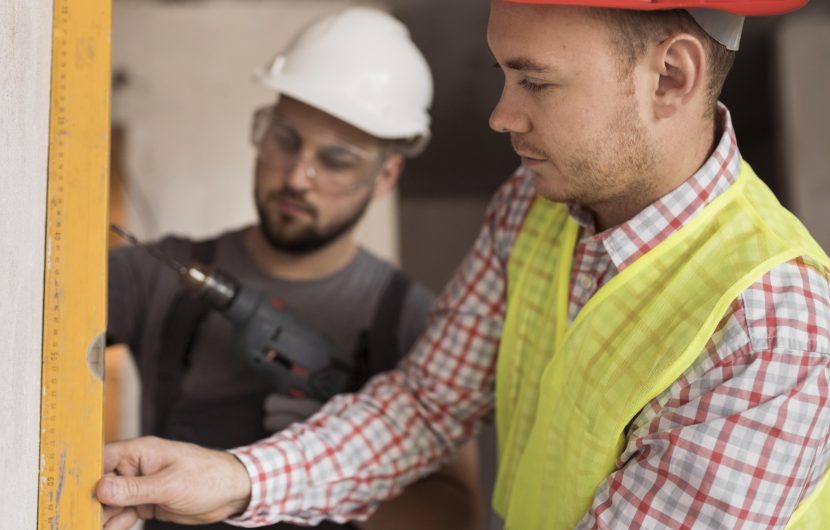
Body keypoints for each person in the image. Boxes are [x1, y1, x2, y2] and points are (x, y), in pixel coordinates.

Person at [98, 1, 830, 529]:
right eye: (503, 75)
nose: (501, 115)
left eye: (535, 81)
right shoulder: (534, 205)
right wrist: (235, 478)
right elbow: (427, 403)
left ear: (671, 75)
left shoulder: (773, 327)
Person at [104, 7, 482, 530]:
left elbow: (457, 515)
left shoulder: (415, 322)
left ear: (385, 176)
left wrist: (340, 461)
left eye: (336, 159)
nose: (298, 177)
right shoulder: (161, 275)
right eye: (285, 139)